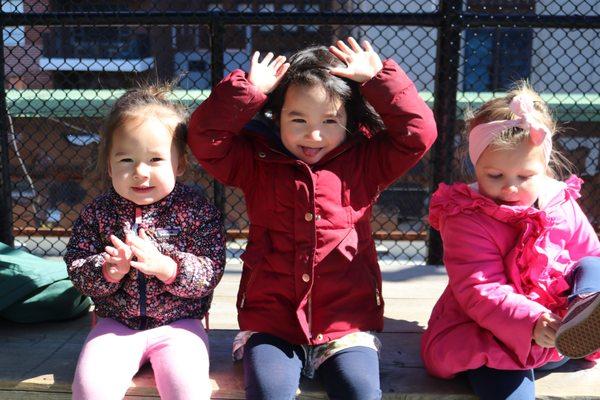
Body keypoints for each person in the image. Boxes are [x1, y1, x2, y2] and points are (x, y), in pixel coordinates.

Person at [187, 37, 437, 399]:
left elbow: (419, 134)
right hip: (273, 320)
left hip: (345, 322)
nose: (313, 134)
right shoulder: (257, 160)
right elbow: (204, 138)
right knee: (269, 392)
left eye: (330, 120)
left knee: (361, 391)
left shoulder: (367, 160)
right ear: (276, 116)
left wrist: (377, 79)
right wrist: (248, 90)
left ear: (350, 119)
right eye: (298, 118)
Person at [421, 83, 600, 399]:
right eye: (495, 176)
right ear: (475, 165)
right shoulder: (467, 216)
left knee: (592, 267)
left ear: (544, 166)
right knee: (508, 386)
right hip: (495, 335)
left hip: (558, 331)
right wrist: (531, 322)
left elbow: (589, 253)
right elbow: (481, 289)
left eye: (525, 177)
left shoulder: (559, 201)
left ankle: (584, 313)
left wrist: (564, 311)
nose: (511, 188)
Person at [65, 85, 226, 400]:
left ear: (179, 164)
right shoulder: (98, 212)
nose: (140, 172)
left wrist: (169, 268)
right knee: (90, 389)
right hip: (116, 325)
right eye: (126, 159)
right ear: (109, 165)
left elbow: (211, 270)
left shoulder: (196, 209)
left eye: (155, 159)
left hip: (180, 327)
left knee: (188, 391)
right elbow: (77, 265)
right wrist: (107, 270)